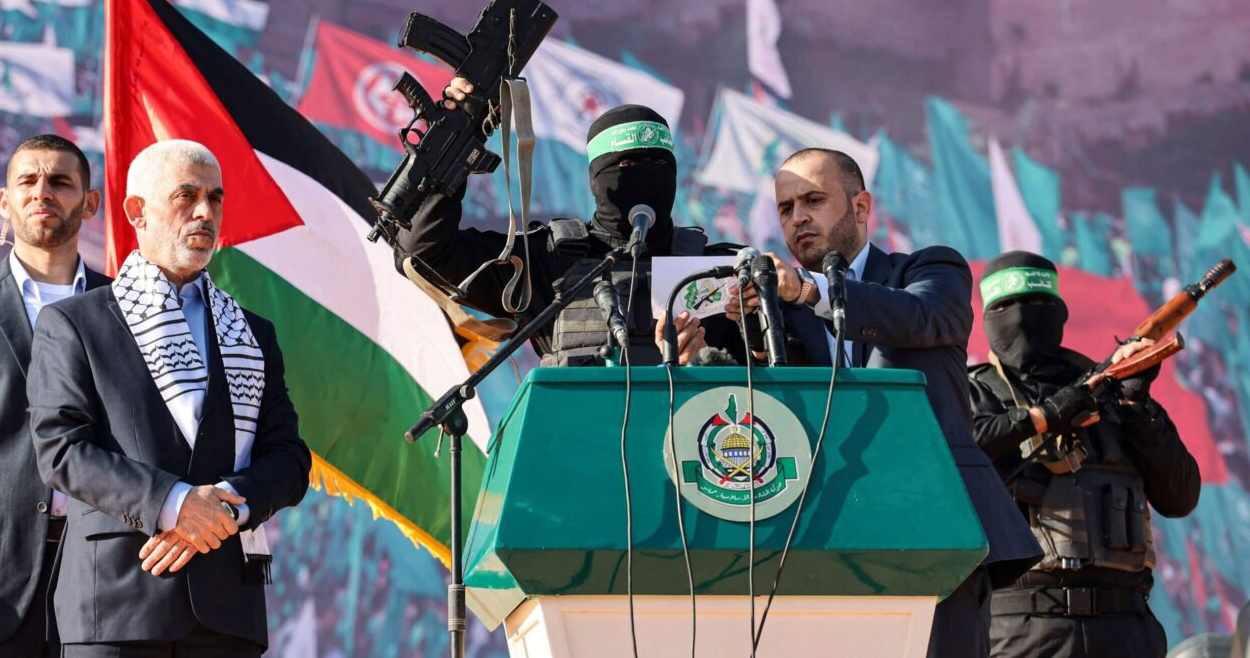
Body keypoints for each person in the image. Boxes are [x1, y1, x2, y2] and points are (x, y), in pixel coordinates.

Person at [728, 147, 1043, 657]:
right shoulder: (777, 311)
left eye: (813, 199)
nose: (798, 218)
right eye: (786, 209)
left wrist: (812, 293)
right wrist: (702, 346)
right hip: (823, 535)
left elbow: (926, 318)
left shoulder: (928, 269)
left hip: (936, 526)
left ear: (860, 206)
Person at [27, 139, 311, 656]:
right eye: (187, 195)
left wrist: (219, 510)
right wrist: (174, 503)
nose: (205, 212)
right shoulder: (75, 322)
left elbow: (290, 460)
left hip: (228, 611)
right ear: (136, 210)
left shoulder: (251, 333)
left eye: (216, 198)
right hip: (115, 606)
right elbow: (61, 450)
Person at [392, 77, 740, 366]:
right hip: (574, 443)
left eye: (659, 164)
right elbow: (423, 256)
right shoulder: (544, 261)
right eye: (626, 167)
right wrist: (456, 142)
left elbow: (778, 358)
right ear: (596, 179)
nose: (646, 176)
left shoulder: (717, 268)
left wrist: (704, 365)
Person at [968, 250, 1200, 658]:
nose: (1022, 317)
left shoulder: (1109, 391)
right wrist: (1045, 416)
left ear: (1059, 312)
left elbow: (1180, 497)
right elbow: (962, 454)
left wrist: (1136, 405)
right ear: (988, 317)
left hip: (1127, 626)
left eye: (1037, 304)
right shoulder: (975, 393)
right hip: (1021, 627)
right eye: (1006, 306)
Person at [0, 134, 106, 657]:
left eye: (61, 181)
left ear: (91, 203)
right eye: (28, 180)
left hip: (107, 582)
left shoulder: (131, 311)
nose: (43, 191)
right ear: (4, 201)